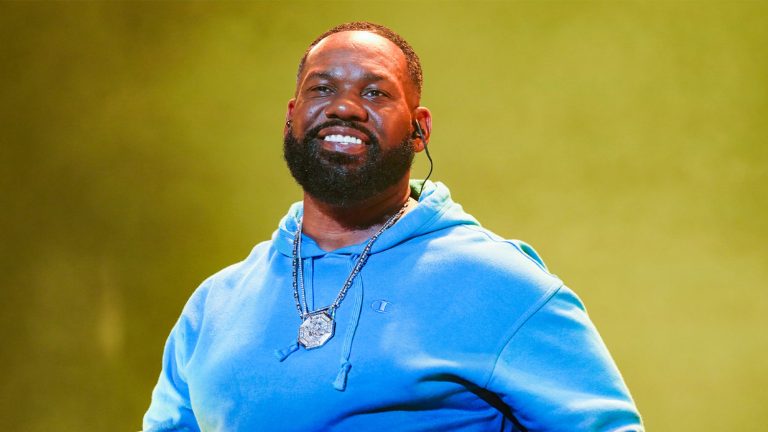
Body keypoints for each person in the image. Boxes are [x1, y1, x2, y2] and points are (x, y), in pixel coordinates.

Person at [143, 21, 643, 431]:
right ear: (292, 116)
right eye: (322, 88)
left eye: (375, 92)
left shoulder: (497, 281)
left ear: (420, 129)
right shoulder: (215, 305)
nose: (344, 107)